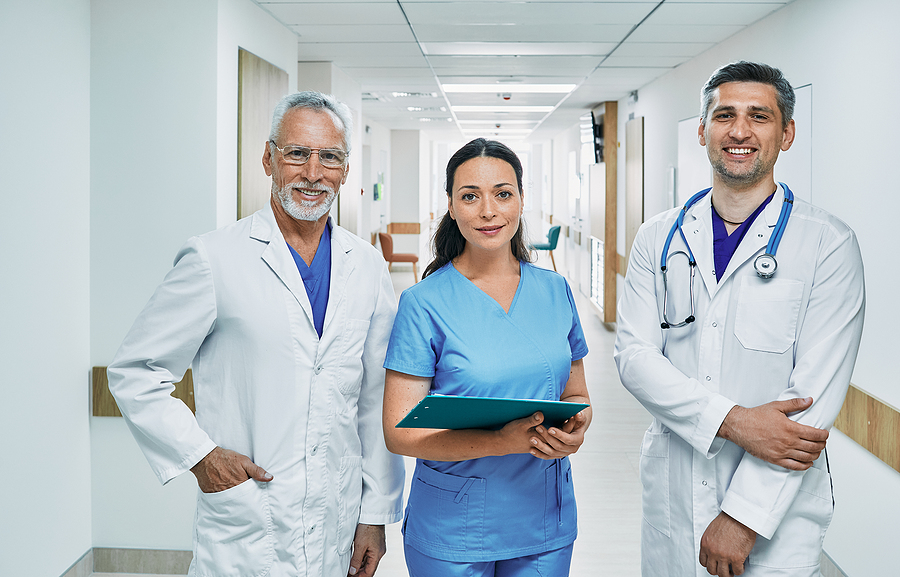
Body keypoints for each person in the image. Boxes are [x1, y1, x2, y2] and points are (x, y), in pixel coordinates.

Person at [107, 91, 405, 577]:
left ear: (346, 170)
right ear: (268, 158)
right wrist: (200, 456)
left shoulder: (367, 265)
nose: (313, 173)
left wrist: (375, 515)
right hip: (250, 524)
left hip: (337, 521)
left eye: (329, 157)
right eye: (297, 154)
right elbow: (135, 371)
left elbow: (374, 398)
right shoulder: (214, 258)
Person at [615, 61, 865, 576]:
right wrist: (735, 422)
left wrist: (741, 517)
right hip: (675, 494)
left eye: (760, 116)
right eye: (725, 115)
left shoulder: (828, 245)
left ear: (787, 133)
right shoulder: (657, 237)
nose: (740, 131)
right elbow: (635, 359)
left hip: (775, 515)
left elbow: (809, 406)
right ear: (703, 130)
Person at [381, 138, 592, 576]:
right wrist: (502, 441)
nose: (488, 211)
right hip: (452, 525)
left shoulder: (555, 291)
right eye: (470, 196)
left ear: (520, 200)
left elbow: (576, 392)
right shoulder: (424, 303)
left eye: (502, 193)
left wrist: (577, 425)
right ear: (452, 207)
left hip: (544, 517)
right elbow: (399, 432)